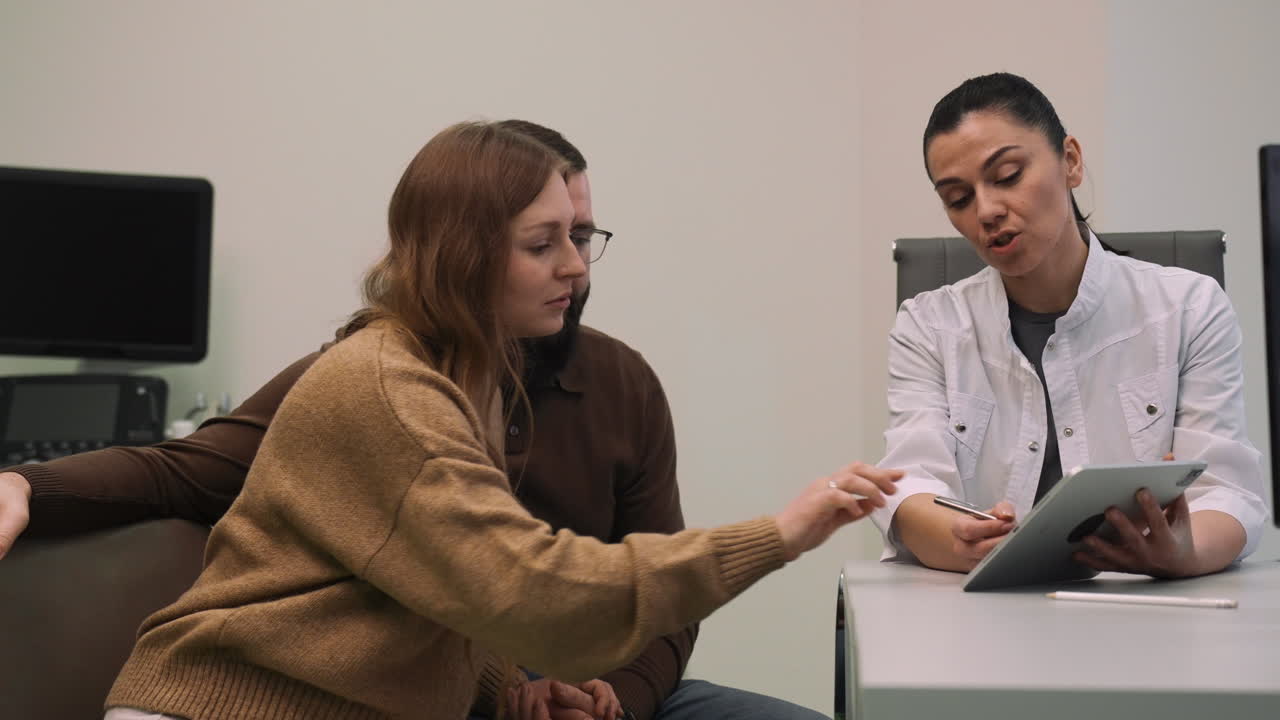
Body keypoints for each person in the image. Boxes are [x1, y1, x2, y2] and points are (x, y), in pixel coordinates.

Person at [0, 121, 839, 720]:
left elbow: (440, 588)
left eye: (582, 236)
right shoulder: (385, 385)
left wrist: (533, 688)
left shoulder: (504, 376)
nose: (577, 268)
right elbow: (520, 586)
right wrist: (780, 533)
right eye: (545, 242)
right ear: (465, 254)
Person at [869, 72, 1269, 578]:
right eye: (958, 198)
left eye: (1008, 174)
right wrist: (960, 538)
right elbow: (909, 490)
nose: (987, 211)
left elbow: (1229, 492)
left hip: (1144, 612)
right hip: (979, 618)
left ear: (1071, 161)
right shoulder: (927, 327)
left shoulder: (1188, 307)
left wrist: (1183, 553)